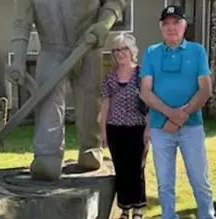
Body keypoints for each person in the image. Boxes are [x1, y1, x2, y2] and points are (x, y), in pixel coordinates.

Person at [7, 0, 130, 181]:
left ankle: (91, 146)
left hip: (87, 45)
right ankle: (47, 153)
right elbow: (21, 22)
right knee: (48, 99)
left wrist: (104, 24)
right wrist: (18, 58)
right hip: (51, 49)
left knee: (89, 98)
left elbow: (116, 2)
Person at [139, 5, 216, 219]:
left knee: (200, 179)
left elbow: (205, 89)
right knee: (165, 182)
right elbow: (145, 91)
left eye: (176, 22)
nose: (171, 27)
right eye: (166, 23)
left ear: (184, 26)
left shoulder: (197, 51)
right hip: (160, 128)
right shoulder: (152, 53)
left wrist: (182, 115)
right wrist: (171, 115)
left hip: (192, 127)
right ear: (161, 28)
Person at [100, 33, 149, 219]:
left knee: (137, 168)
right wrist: (103, 130)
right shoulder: (110, 77)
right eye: (117, 50)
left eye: (124, 49)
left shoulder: (142, 74)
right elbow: (104, 105)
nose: (120, 54)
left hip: (138, 128)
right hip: (115, 129)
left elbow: (150, 103)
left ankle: (137, 210)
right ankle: (124, 210)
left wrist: (149, 130)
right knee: (121, 169)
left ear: (132, 51)